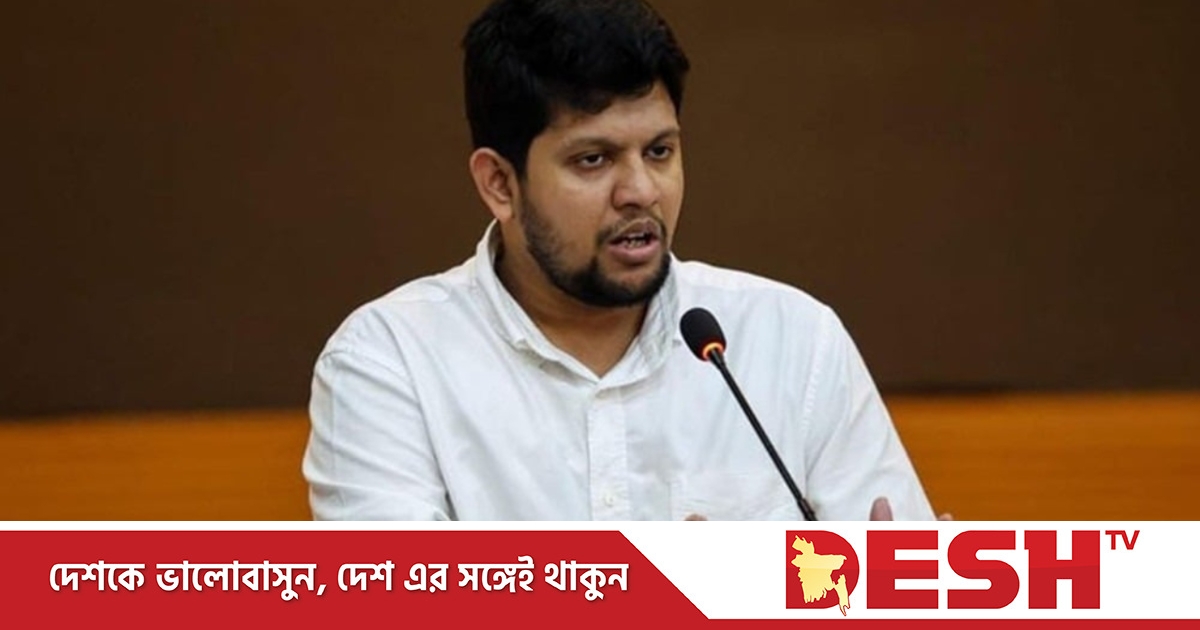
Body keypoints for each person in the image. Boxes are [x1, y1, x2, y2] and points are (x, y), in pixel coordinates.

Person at [302, 0, 935, 521]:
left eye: (659, 152)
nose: (641, 191)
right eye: (593, 160)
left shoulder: (793, 342)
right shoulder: (389, 362)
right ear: (500, 184)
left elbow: (892, 591)